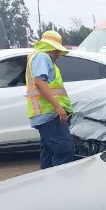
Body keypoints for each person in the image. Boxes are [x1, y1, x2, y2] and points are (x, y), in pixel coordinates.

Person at [25, 30, 75, 168]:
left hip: (44, 114)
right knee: (64, 151)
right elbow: (40, 82)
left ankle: (46, 183)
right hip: (50, 114)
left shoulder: (37, 57)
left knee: (48, 152)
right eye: (56, 50)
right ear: (50, 48)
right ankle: (60, 187)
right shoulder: (42, 57)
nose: (58, 54)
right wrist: (58, 107)